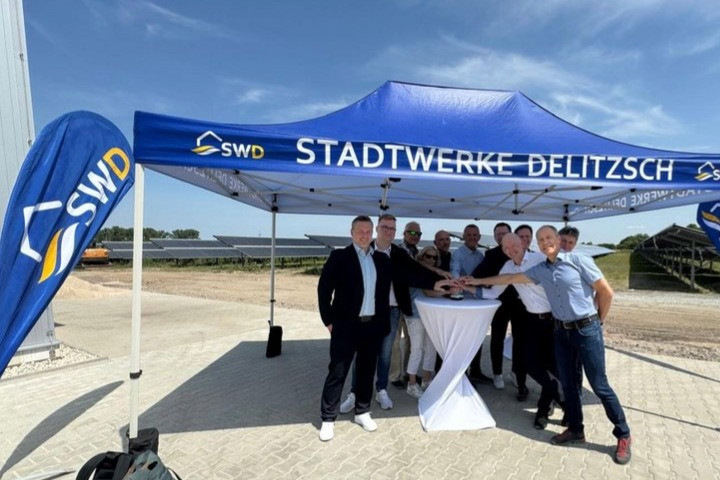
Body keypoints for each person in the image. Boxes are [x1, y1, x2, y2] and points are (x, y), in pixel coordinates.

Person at [460, 225, 631, 464]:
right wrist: (474, 282)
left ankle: (623, 434)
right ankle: (576, 429)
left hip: (585, 328)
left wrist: (597, 322)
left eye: (548, 237)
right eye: (541, 239)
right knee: (565, 382)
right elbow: (507, 279)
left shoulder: (576, 260)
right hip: (560, 329)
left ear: (557, 239)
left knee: (599, 385)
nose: (545, 242)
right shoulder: (540, 268)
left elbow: (606, 292)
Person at [338, 215, 440, 414]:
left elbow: (416, 272)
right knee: (360, 354)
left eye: (392, 228)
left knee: (385, 354)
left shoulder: (399, 254)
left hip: (392, 311)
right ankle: (354, 393)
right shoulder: (365, 250)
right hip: (366, 311)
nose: (388, 231)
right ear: (377, 229)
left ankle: (381, 390)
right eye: (385, 227)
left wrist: (438, 279)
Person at [462, 233, 564, 430]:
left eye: (513, 246)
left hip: (554, 320)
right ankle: (564, 400)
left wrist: (477, 281)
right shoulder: (508, 266)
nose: (511, 250)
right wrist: (469, 287)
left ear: (523, 243)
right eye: (506, 248)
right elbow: (493, 292)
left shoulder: (539, 259)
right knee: (530, 363)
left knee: (552, 367)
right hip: (533, 319)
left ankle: (544, 410)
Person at [317, 215, 391, 441]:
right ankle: (328, 419)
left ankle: (362, 412)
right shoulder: (340, 257)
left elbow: (404, 276)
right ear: (351, 233)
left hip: (372, 327)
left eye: (368, 231)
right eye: (360, 231)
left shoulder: (381, 259)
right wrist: (329, 321)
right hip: (345, 327)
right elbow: (323, 290)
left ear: (373, 233)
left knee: (366, 372)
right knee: (337, 372)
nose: (364, 235)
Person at [470, 222, 524, 393]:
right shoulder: (492, 254)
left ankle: (516, 372)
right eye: (498, 234)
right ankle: (497, 373)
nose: (501, 236)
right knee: (497, 338)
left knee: (519, 339)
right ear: (494, 237)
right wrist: (474, 283)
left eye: (504, 233)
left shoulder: (525, 253)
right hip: (499, 302)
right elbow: (478, 275)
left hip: (521, 303)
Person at [450, 224, 491, 384]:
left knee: (477, 338)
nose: (472, 237)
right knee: (464, 340)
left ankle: (476, 371)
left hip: (478, 302)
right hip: (463, 302)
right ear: (464, 237)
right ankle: (463, 374)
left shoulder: (480, 255)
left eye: (475, 235)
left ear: (479, 237)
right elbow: (454, 273)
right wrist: (461, 282)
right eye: (469, 235)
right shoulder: (458, 253)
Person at [404, 245, 444, 398]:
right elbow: (429, 292)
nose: (431, 260)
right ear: (422, 256)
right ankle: (412, 384)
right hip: (415, 315)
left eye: (434, 257)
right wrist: (449, 291)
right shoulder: (417, 270)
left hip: (430, 315)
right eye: (428, 256)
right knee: (417, 349)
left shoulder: (432, 273)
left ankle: (426, 381)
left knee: (431, 348)